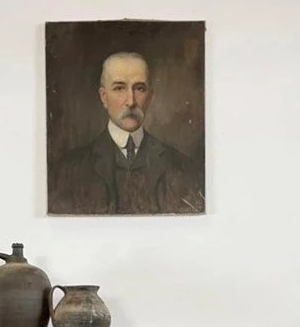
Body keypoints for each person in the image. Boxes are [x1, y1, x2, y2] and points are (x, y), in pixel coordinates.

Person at [48, 52, 204, 215]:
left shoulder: (182, 168)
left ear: (150, 96)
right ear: (103, 97)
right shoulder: (68, 171)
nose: (131, 101)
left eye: (139, 88)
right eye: (119, 88)